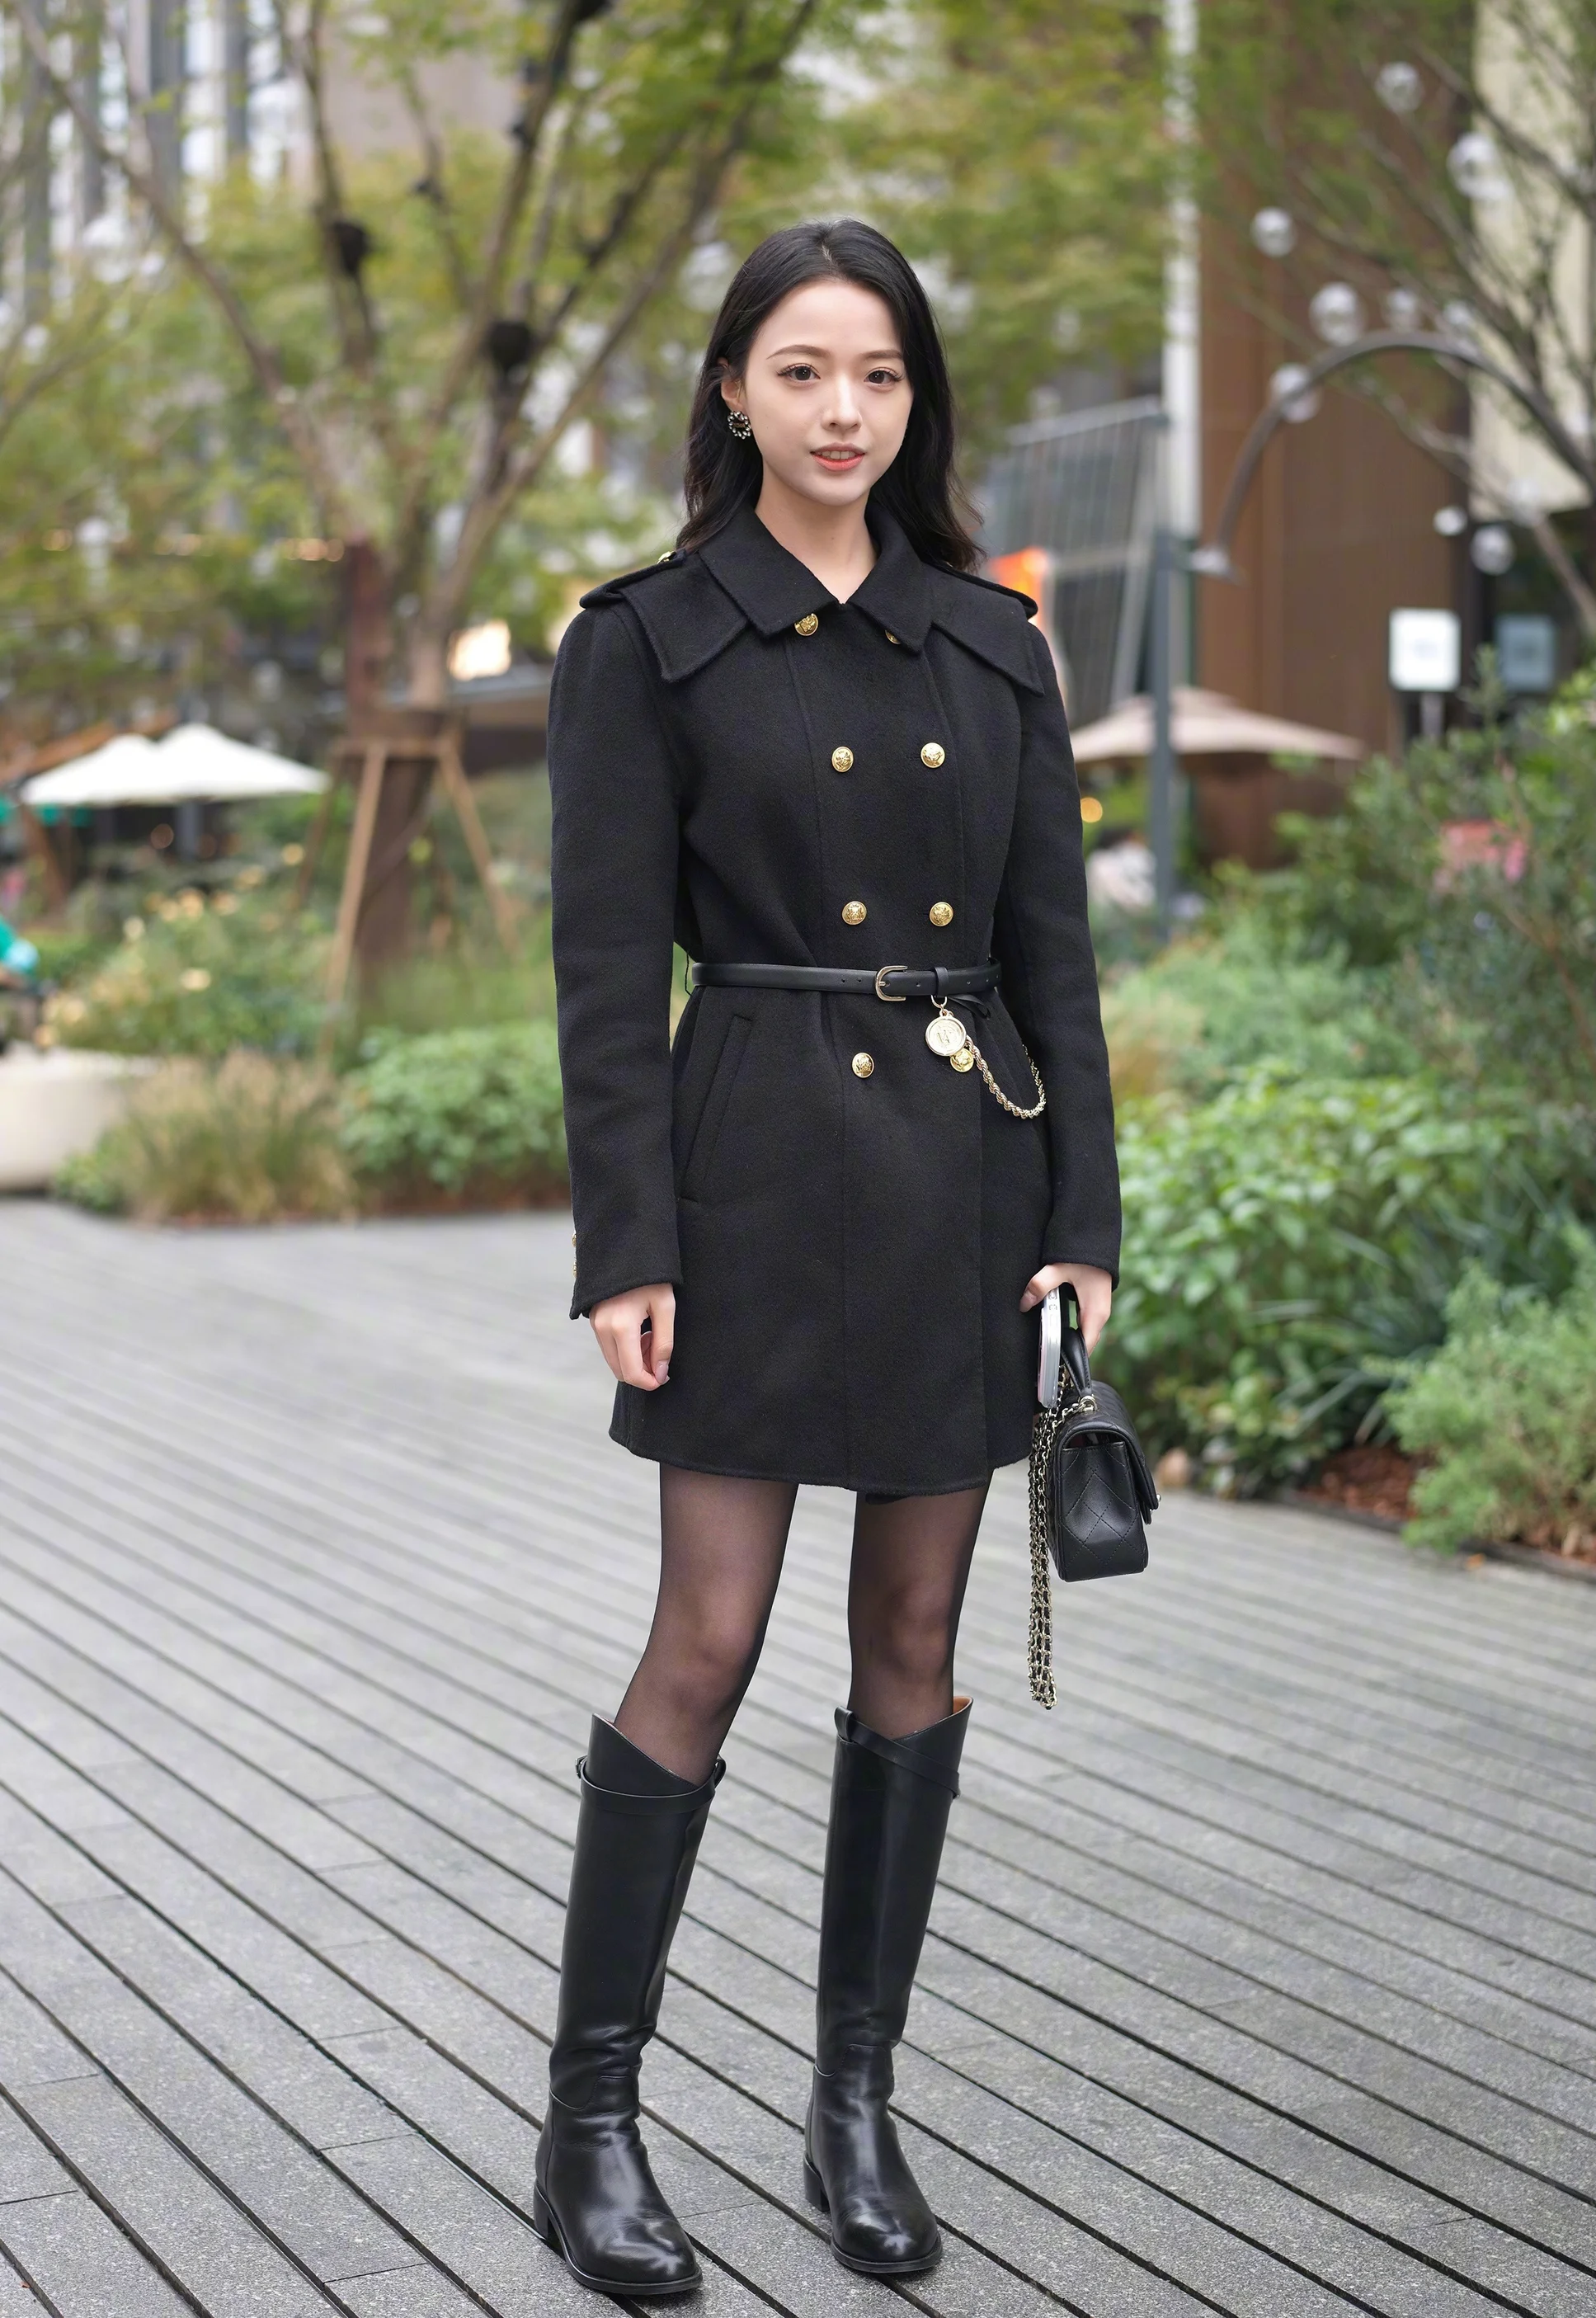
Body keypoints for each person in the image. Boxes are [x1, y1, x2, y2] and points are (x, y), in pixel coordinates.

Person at [539, 218, 1119, 2298]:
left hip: (966, 1180)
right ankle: (588, 2122)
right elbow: (607, 971)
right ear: (732, 393)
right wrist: (629, 1240)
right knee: (704, 1634)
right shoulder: (647, 639)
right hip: (750, 1165)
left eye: (876, 374)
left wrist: (1085, 1232)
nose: (842, 411)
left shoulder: (993, 636)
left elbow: (1057, 953)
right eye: (801, 371)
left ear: (914, 398)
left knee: (913, 1649)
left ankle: (850, 2106)